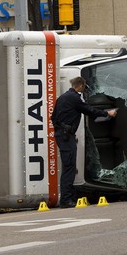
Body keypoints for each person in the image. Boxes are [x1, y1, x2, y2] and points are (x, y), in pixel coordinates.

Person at [51, 76, 117, 208]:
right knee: (69, 167)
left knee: (68, 167)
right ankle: (66, 200)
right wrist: (107, 113)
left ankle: (68, 197)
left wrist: (63, 129)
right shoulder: (74, 98)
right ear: (80, 86)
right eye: (84, 88)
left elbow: (53, 117)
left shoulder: (63, 98)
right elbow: (89, 110)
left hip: (63, 135)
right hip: (66, 136)